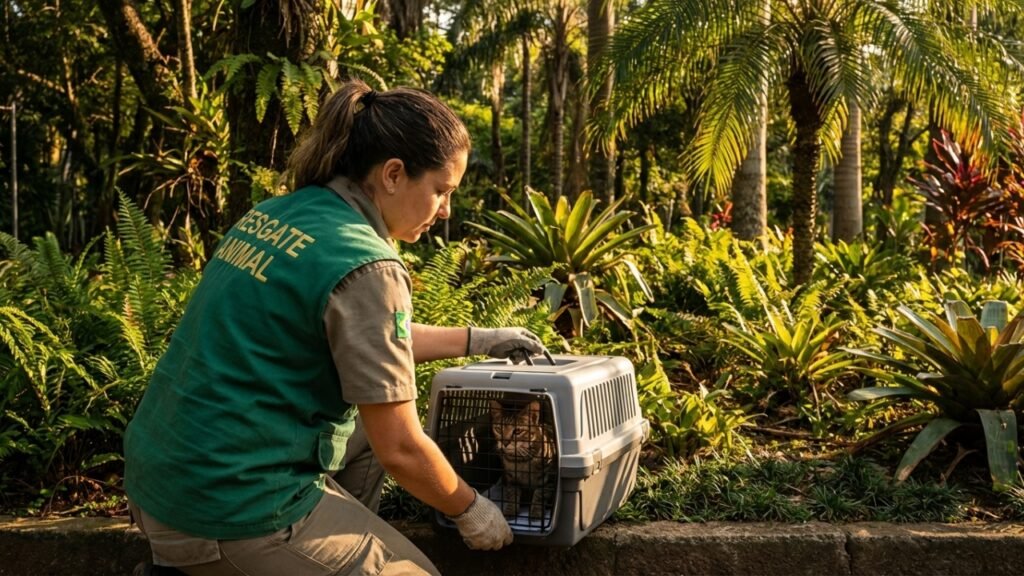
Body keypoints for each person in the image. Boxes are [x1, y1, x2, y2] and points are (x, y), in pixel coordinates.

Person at [124, 79, 547, 576]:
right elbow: (403, 449)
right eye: (441, 191)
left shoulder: (281, 213)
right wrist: (470, 507)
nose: (446, 210)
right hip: (228, 508)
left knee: (364, 433)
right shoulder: (368, 264)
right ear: (393, 174)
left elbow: (372, 343)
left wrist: (479, 339)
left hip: (163, 480)